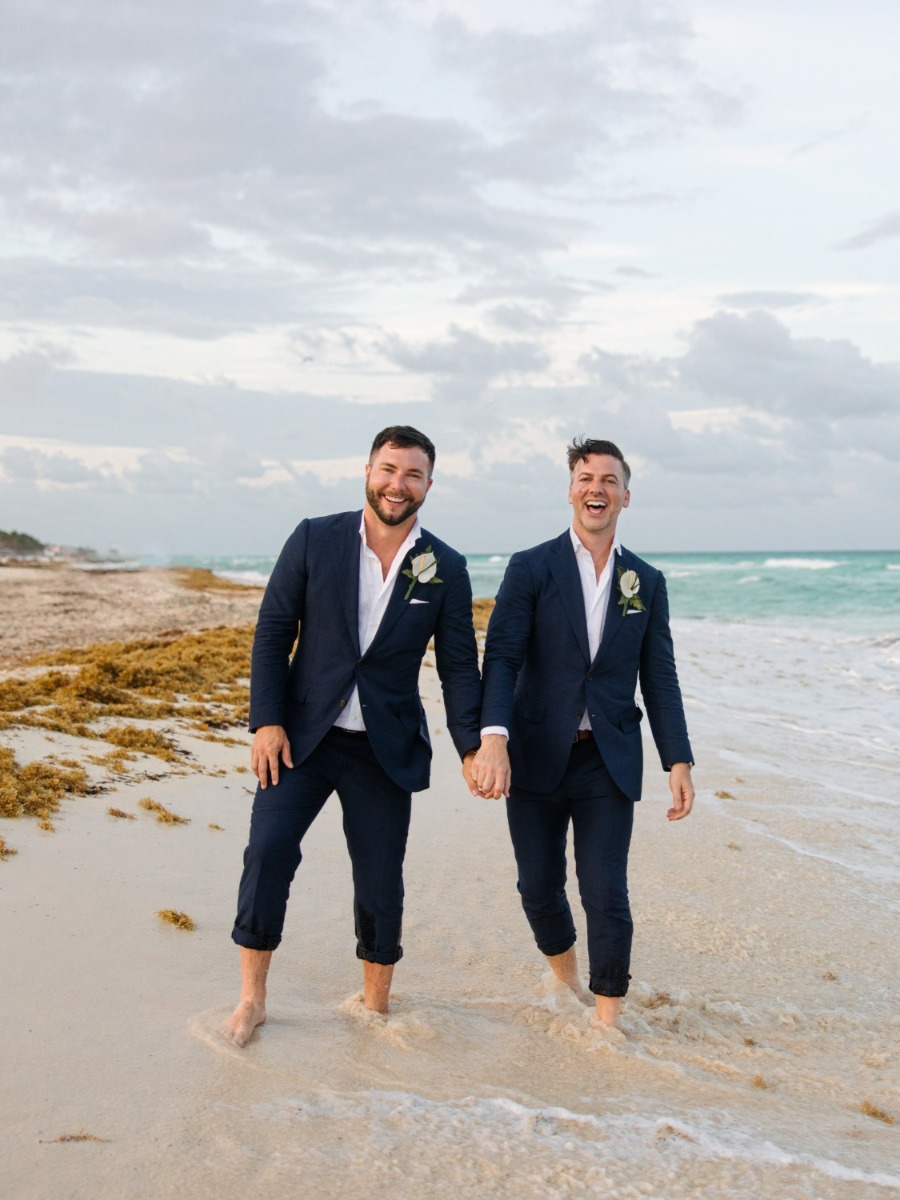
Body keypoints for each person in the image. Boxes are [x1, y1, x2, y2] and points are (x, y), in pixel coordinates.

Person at [224, 425, 481, 1046]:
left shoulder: (445, 566)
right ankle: (252, 999)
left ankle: (374, 1007)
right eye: (389, 470)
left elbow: (457, 667)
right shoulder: (314, 537)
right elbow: (272, 632)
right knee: (268, 853)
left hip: (382, 749)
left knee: (379, 878)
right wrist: (266, 721)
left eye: (413, 474)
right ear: (367, 470)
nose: (399, 484)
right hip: (303, 739)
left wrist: (472, 746)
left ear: (428, 484)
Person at [470, 437, 694, 1029]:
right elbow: (503, 657)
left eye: (609, 480)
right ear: (571, 489)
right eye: (586, 478)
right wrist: (492, 737)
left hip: (608, 758)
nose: (597, 489)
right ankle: (566, 977)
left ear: (626, 496)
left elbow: (660, 675)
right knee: (538, 887)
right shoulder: (531, 566)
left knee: (605, 891)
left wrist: (678, 760)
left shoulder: (646, 580)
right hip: (536, 753)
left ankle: (608, 1020)